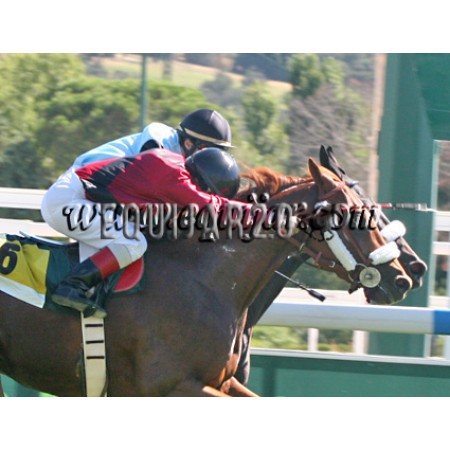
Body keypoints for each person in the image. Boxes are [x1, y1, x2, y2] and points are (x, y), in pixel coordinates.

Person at [41, 147, 249, 319]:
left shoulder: (176, 167)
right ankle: (73, 285)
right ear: (201, 182)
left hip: (74, 197)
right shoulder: (174, 176)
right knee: (133, 242)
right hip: (68, 202)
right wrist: (262, 213)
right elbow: (213, 207)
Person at [72, 108, 235, 169]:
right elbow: (151, 157)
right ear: (188, 143)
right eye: (210, 151)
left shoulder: (186, 157)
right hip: (83, 180)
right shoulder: (162, 135)